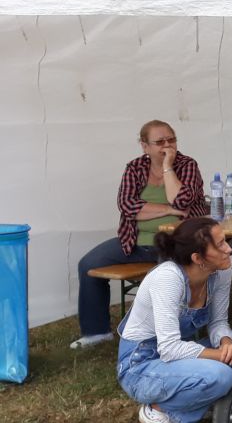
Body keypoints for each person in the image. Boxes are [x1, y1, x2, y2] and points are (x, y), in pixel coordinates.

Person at [73, 120, 208, 349]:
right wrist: (167, 210)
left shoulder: (187, 165)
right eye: (160, 142)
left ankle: (170, 335)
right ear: (145, 146)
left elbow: (181, 201)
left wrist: (167, 167)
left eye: (171, 139)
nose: (167, 145)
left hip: (175, 243)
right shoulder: (135, 167)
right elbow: (127, 205)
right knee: (88, 264)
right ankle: (96, 332)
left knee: (168, 279)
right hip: (133, 241)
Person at [116, 217, 232, 423]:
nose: (229, 249)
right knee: (220, 375)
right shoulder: (168, 278)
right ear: (197, 258)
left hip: (178, 354)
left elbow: (218, 323)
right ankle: (158, 411)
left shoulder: (220, 271)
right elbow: (169, 348)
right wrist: (229, 358)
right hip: (141, 365)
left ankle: (211, 396)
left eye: (226, 241)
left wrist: (228, 344)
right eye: (220, 244)